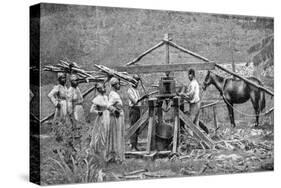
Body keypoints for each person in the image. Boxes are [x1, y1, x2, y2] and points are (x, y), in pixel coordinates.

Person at [106, 77, 125, 163]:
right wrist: (115, 111)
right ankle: (116, 157)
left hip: (119, 118)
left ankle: (116, 156)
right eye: (118, 84)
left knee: (118, 135)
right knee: (117, 136)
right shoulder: (113, 95)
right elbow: (108, 105)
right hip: (116, 118)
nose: (119, 85)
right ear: (114, 85)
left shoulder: (114, 94)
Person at [90, 83, 110, 156]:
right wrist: (98, 112)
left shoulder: (106, 97)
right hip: (102, 117)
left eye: (104, 87)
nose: (104, 89)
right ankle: (99, 149)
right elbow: (92, 110)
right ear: (98, 90)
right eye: (102, 88)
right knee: (101, 133)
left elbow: (108, 106)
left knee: (107, 131)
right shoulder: (97, 99)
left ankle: (107, 149)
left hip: (108, 116)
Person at [127, 74, 141, 151]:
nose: (137, 83)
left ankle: (135, 145)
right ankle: (132, 146)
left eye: (138, 82)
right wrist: (142, 98)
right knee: (133, 127)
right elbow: (135, 101)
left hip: (138, 109)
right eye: (136, 81)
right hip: (133, 109)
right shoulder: (130, 91)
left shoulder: (136, 90)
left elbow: (139, 101)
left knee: (137, 128)